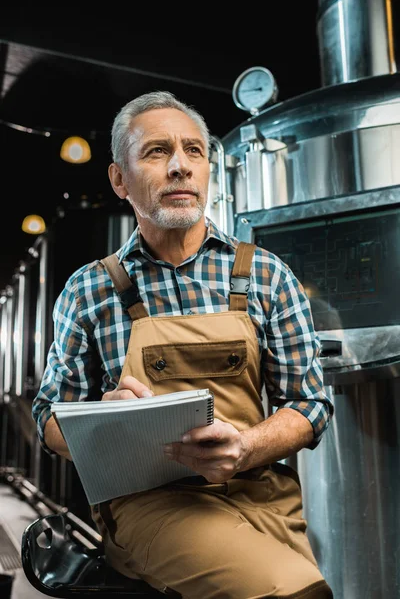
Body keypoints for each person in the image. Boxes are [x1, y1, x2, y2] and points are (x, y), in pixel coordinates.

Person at [32, 90, 334, 599]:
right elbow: (48, 417)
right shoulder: (90, 289)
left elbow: (310, 404)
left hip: (261, 496)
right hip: (152, 505)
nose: (180, 167)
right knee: (299, 594)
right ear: (118, 179)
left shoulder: (264, 273)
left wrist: (245, 448)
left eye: (194, 151)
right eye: (156, 152)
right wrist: (99, 421)